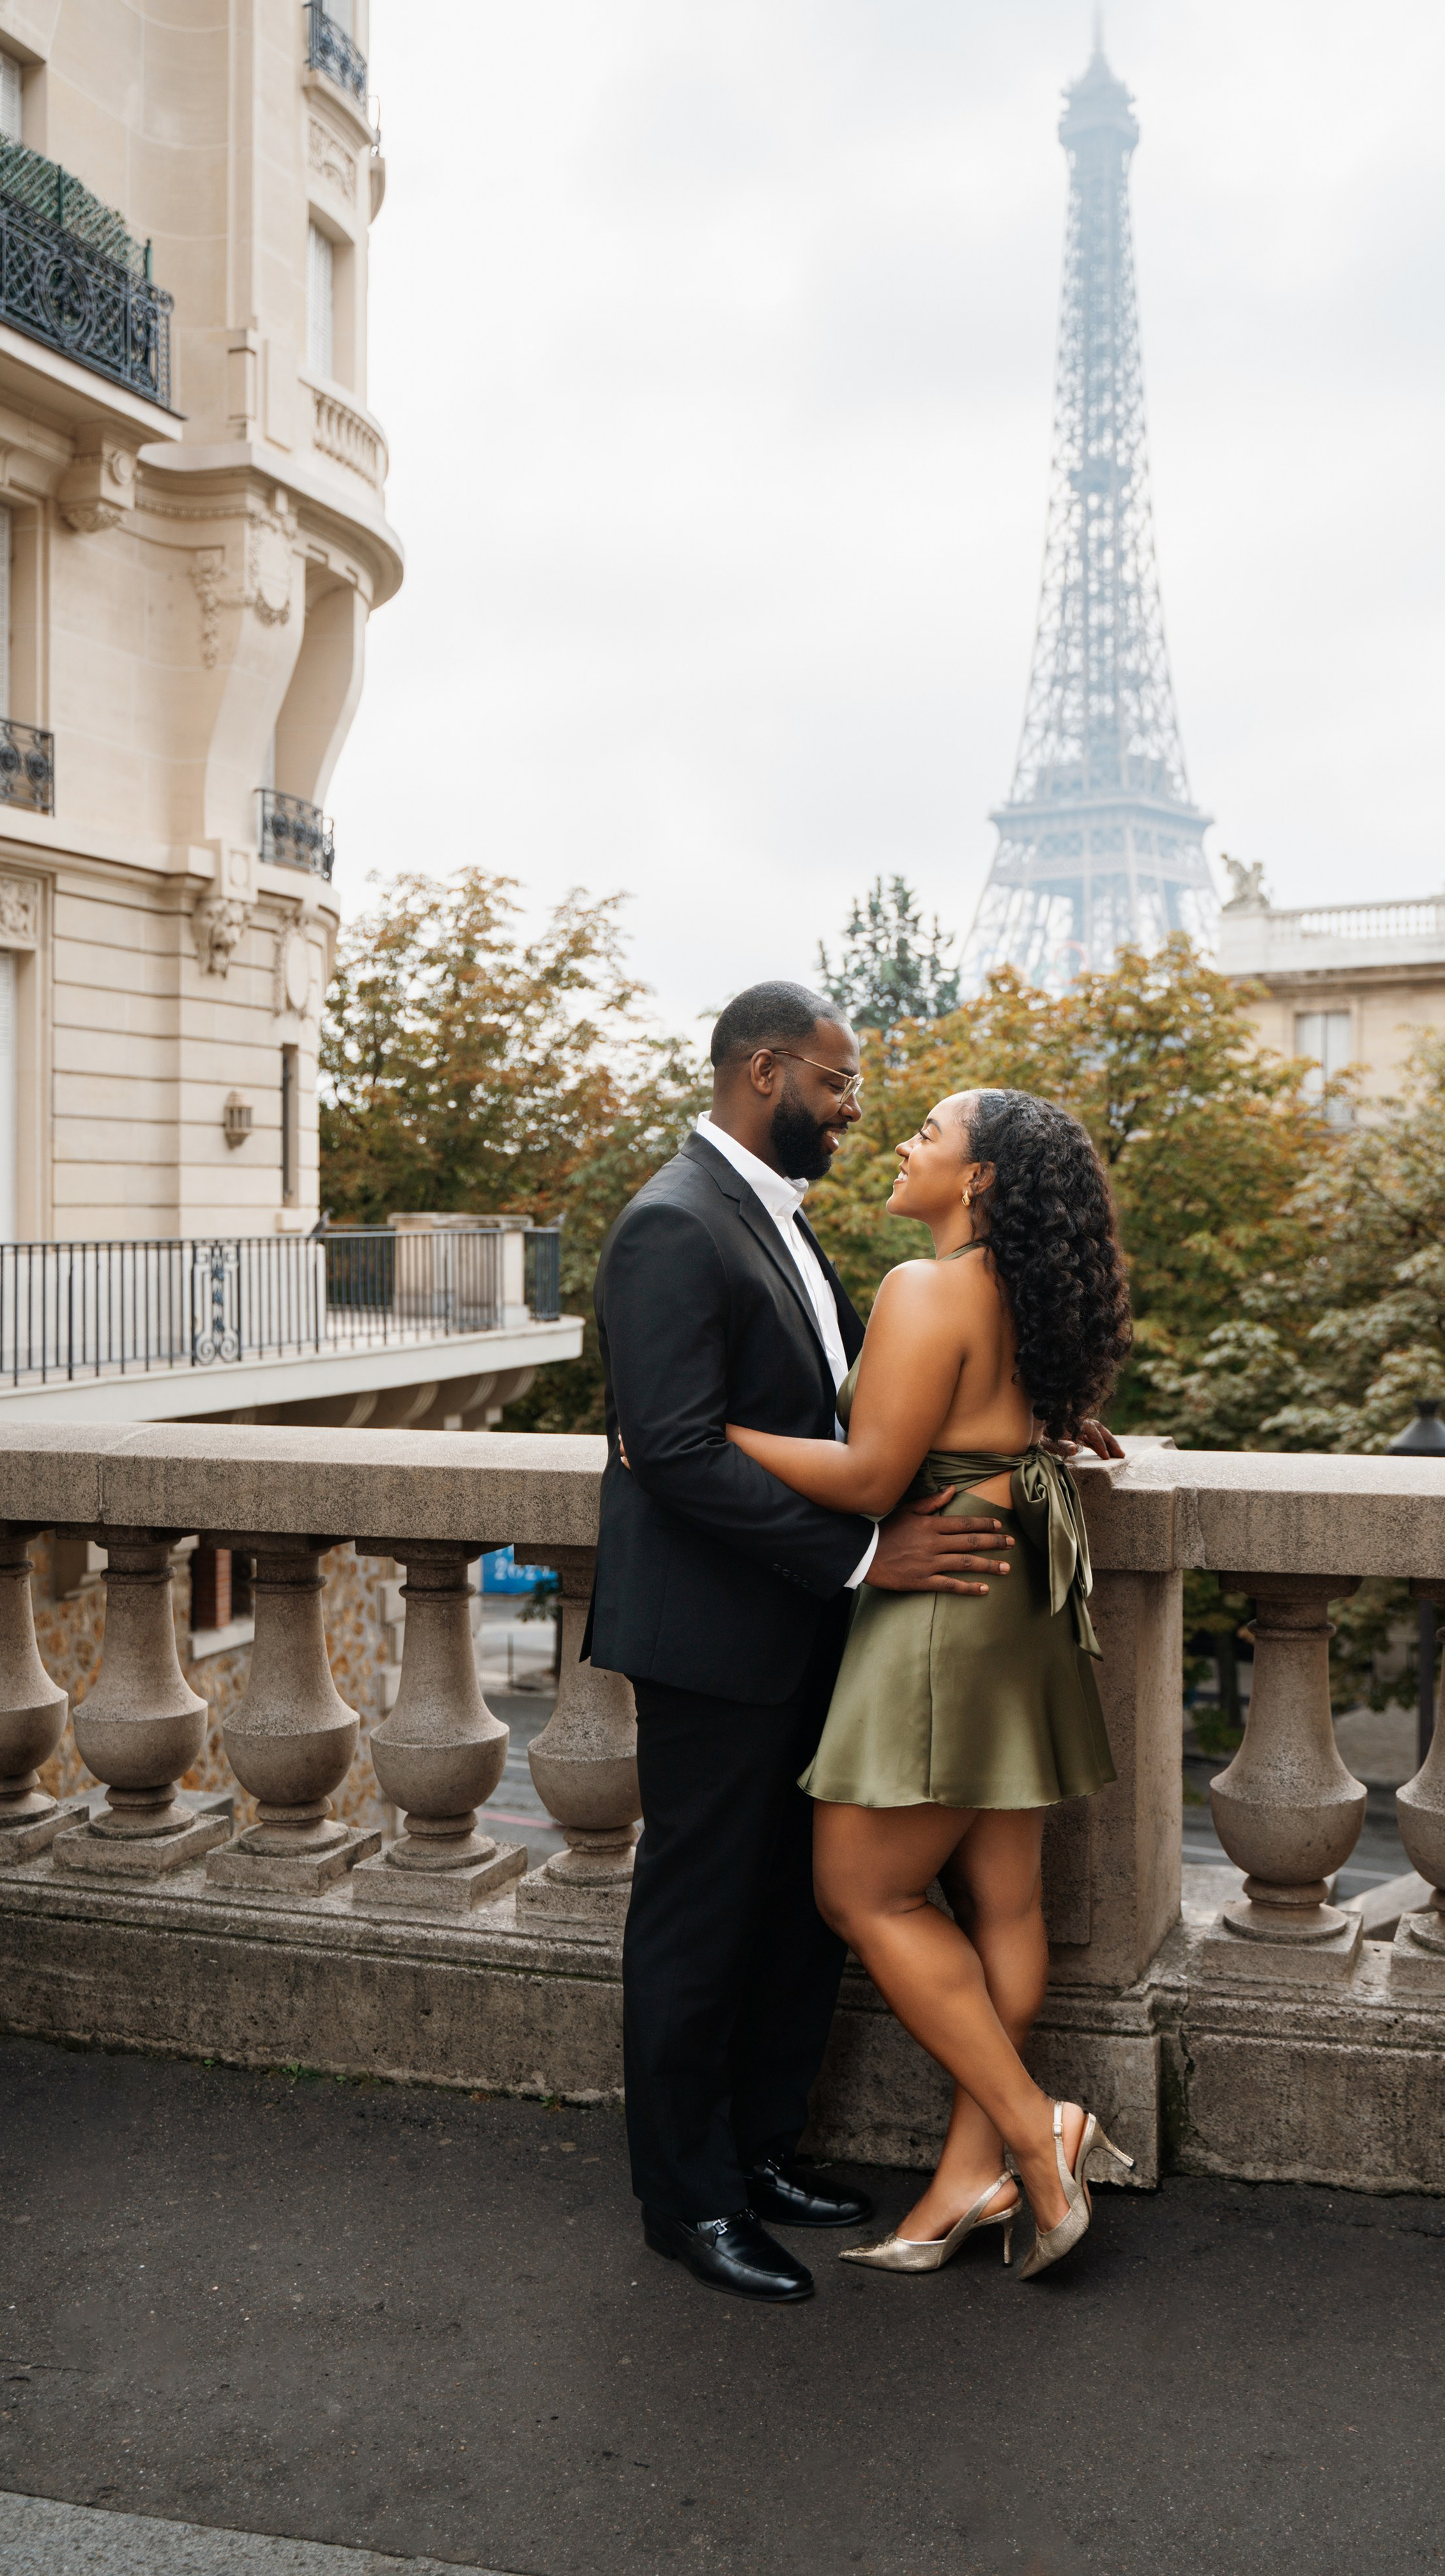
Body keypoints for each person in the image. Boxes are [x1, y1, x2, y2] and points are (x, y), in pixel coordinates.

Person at [588, 981, 1018, 2305]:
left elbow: (859, 1414)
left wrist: (1026, 1433)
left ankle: (762, 2150)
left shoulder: (771, 1221)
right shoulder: (671, 1223)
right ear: (766, 1071)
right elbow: (667, 1448)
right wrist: (861, 1555)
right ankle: (689, 2198)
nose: (848, 1109)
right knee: (699, 1920)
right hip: (719, 1640)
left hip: (805, 1629)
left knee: (791, 1913)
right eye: (833, 1085)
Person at [724, 1084, 1135, 2280]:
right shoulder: (1031, 1293)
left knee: (861, 1889)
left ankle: (1034, 2131)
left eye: (931, 1133)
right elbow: (1009, 1426)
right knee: (1002, 1899)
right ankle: (967, 2178)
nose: (904, 1142)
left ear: (981, 1179)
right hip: (1019, 1592)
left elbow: (867, 1477)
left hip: (943, 1604)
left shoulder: (926, 1286)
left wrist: (710, 1435)